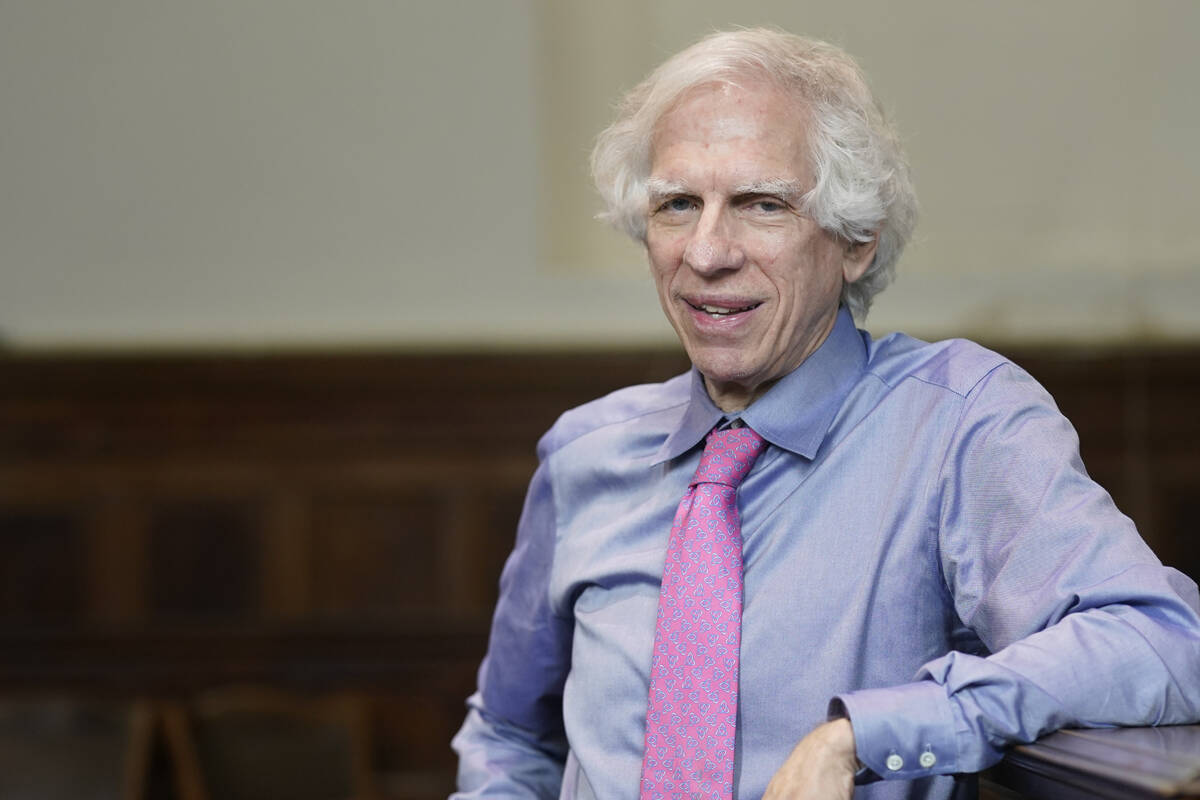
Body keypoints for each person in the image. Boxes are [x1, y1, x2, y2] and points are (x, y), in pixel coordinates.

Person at [451, 28, 1200, 800]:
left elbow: (1163, 642)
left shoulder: (956, 425)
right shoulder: (586, 453)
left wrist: (865, 736)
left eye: (760, 204)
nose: (706, 252)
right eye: (678, 204)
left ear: (857, 243)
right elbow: (508, 735)